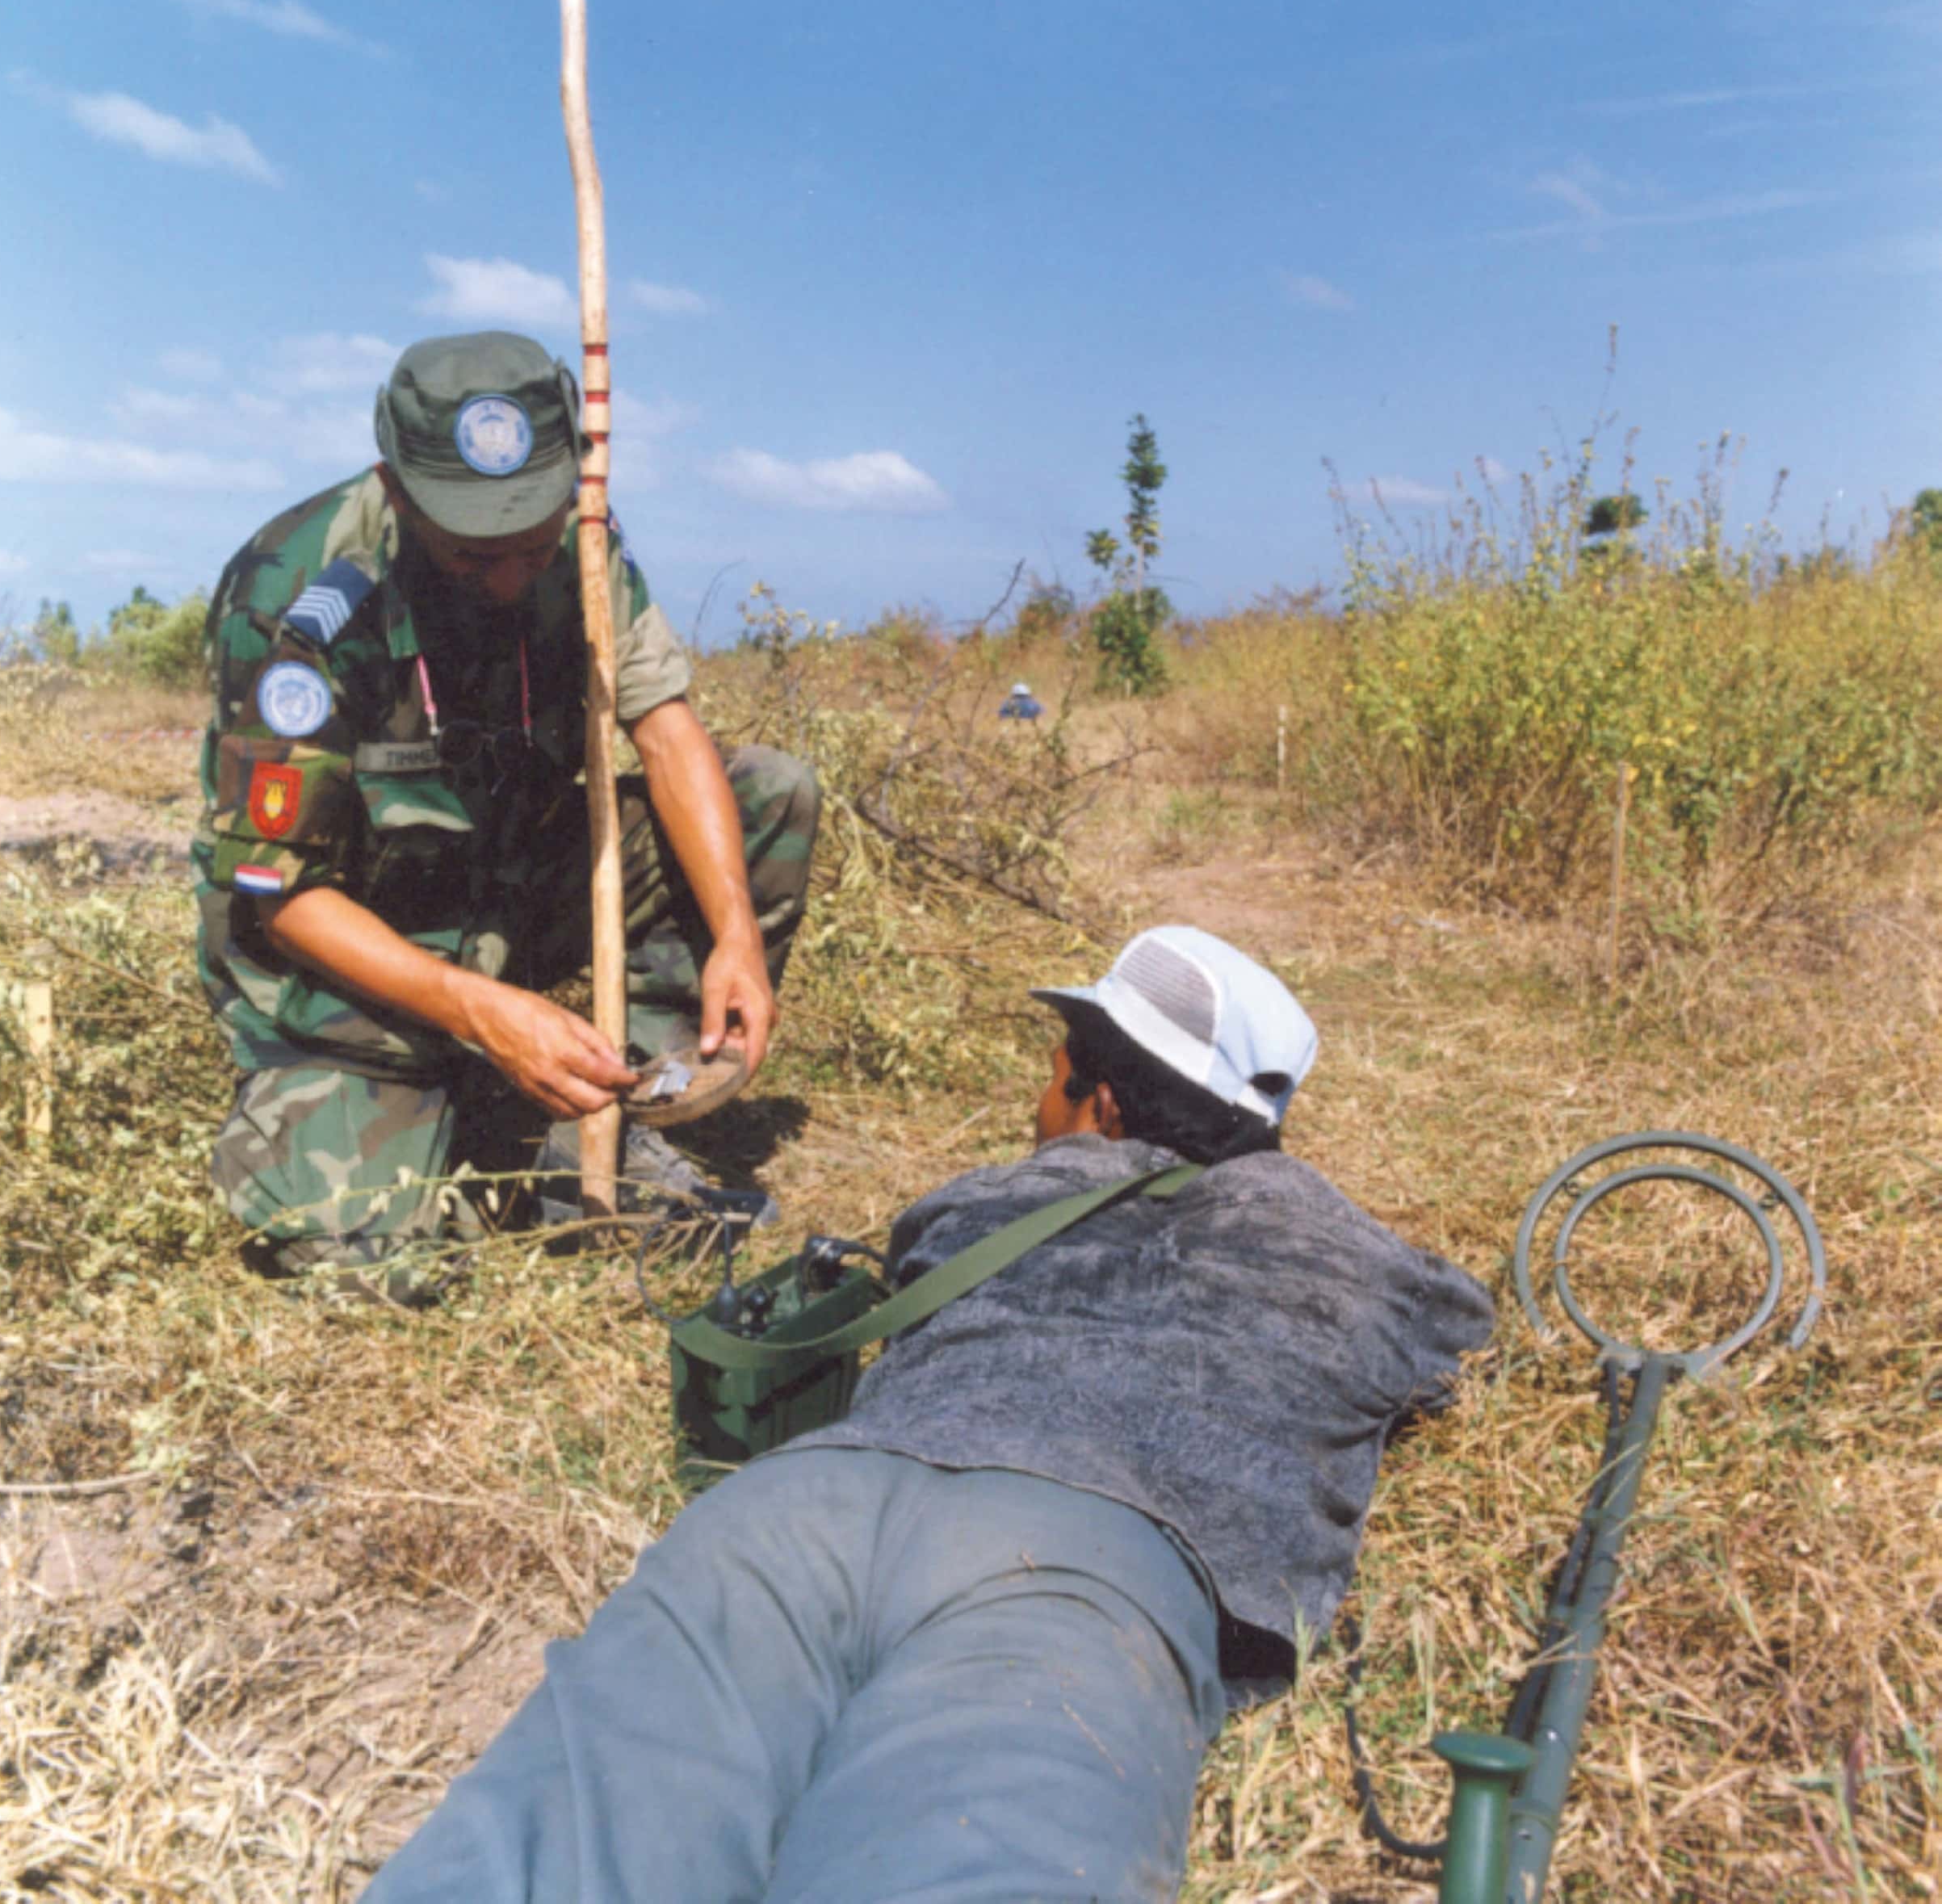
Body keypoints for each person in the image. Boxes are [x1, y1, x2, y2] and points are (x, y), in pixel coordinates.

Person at [363, 925, 1496, 1901]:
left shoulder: (977, 1200)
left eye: (1051, 1076)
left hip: (802, 1508)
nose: (1033, 1102)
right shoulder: (1338, 1242)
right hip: (1088, 1571)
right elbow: (1449, 1332)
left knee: (542, 1847)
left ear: (1101, 1101)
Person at [192, 332, 819, 1302]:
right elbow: (286, 899)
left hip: (505, 900)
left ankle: (604, 1118)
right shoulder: (298, 602)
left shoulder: (580, 540)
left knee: (766, 795)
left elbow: (665, 730)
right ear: (397, 493)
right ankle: (421, 1107)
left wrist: (734, 934)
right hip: (350, 976)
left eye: (534, 542)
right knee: (378, 1272)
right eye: (474, 554)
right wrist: (485, 1017)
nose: (514, 578)